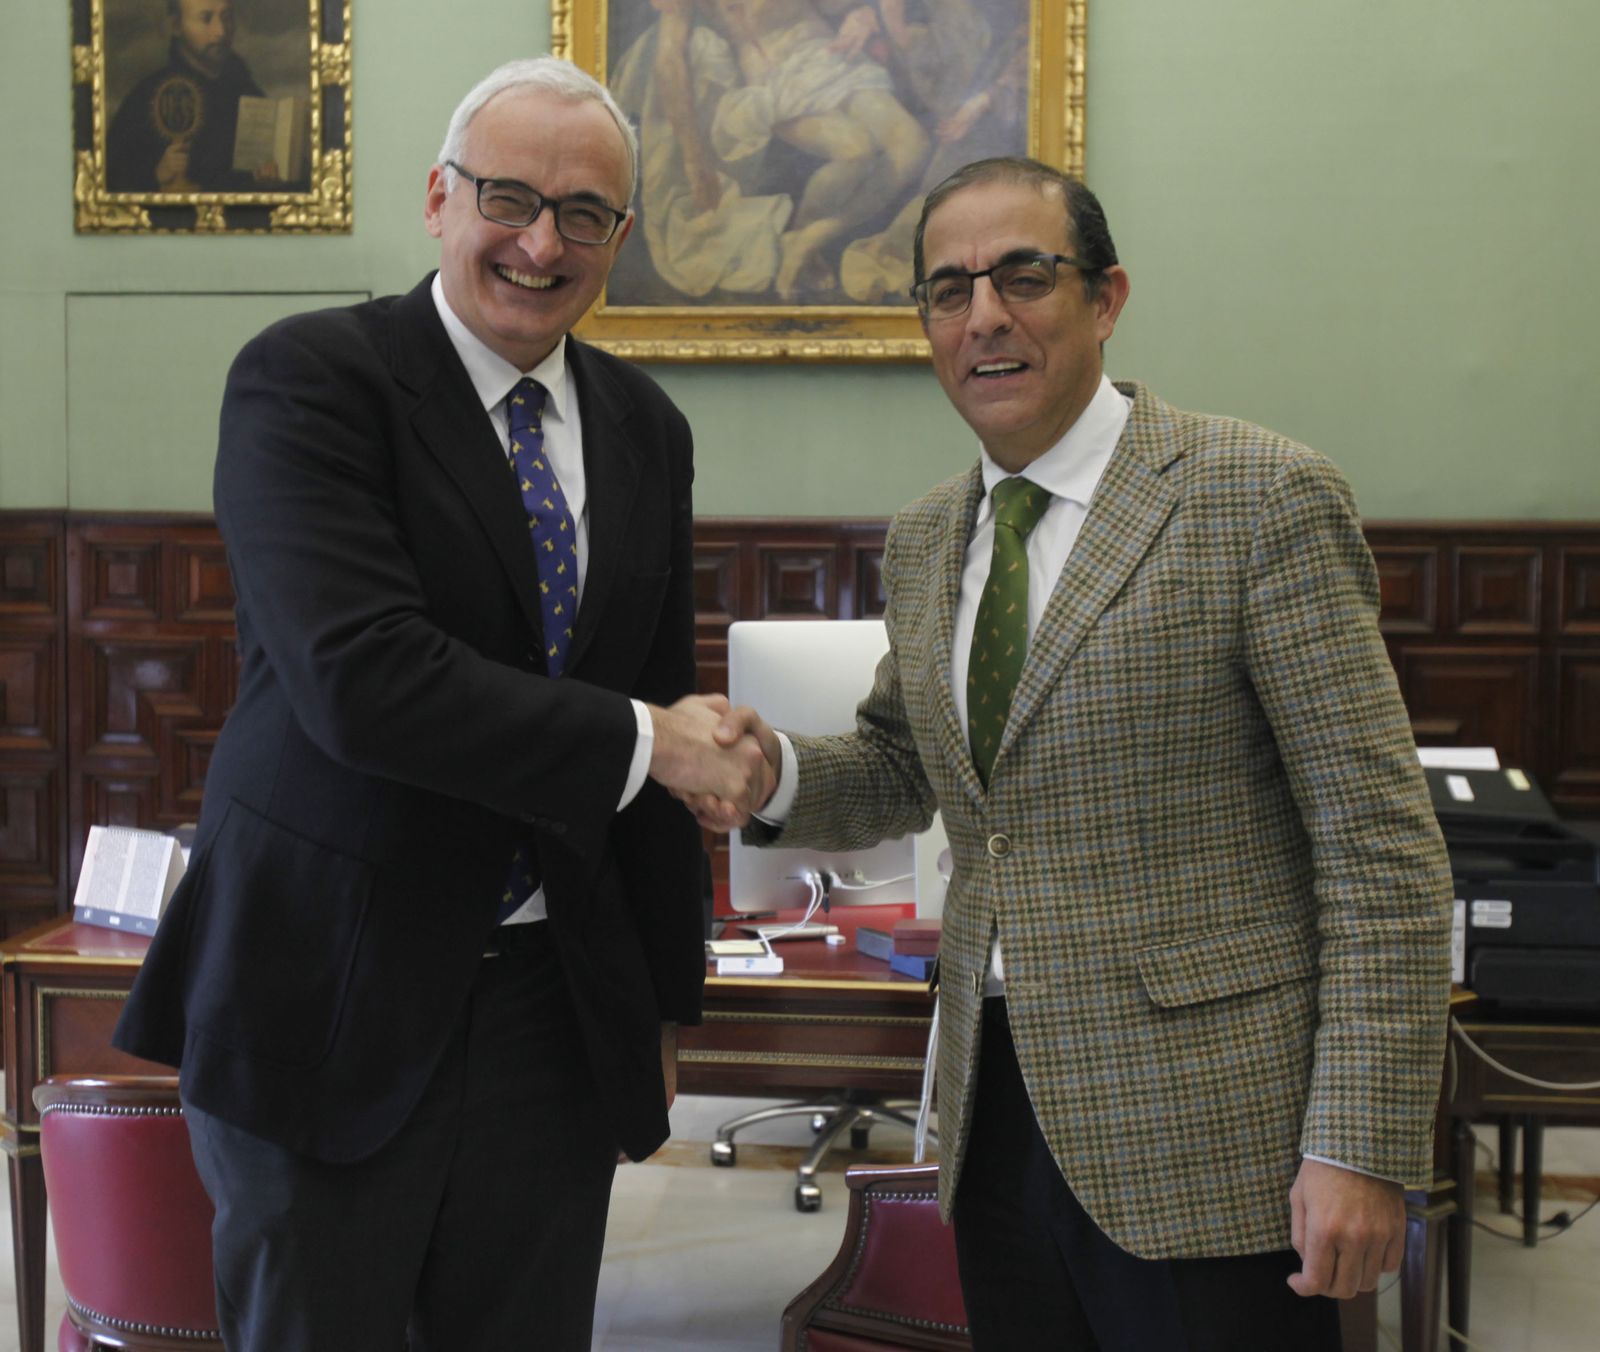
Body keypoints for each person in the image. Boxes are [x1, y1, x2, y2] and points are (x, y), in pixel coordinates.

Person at [695, 157, 1454, 1349]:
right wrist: (768, 772)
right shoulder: (931, 534)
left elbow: (1382, 851)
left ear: (1105, 298)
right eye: (948, 289)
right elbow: (909, 764)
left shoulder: (1257, 496)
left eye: (1022, 275)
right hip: (992, 1125)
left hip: (1211, 1144)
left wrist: (1355, 1141)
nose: (983, 313)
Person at [112, 56, 770, 1352]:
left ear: (622, 239)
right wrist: (651, 739)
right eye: (510, 197)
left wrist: (654, 1003)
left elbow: (643, 706)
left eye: (585, 214)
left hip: (548, 1009)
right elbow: (365, 681)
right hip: (326, 988)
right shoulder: (311, 382)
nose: (541, 242)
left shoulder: (646, 426)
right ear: (438, 197)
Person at [105, 0, 303, 192]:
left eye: (227, 18)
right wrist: (154, 174)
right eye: (206, 19)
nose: (221, 31)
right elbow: (111, 177)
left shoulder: (248, 92)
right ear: (176, 25)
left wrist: (269, 181)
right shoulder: (147, 97)